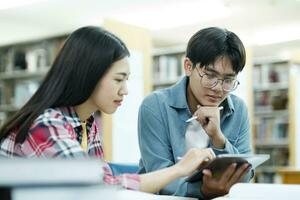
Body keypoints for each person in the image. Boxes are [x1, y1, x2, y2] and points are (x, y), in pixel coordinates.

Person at [0, 26, 216, 193]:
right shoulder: (46, 123)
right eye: (118, 79)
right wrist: (179, 169)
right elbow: (100, 188)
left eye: (126, 80)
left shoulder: (86, 124)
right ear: (89, 75)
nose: (125, 91)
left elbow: (100, 180)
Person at [138, 27, 253, 199]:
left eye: (228, 80)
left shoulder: (238, 109)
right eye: (210, 75)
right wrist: (203, 191)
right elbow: (160, 180)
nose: (219, 88)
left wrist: (219, 139)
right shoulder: (155, 106)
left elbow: (245, 175)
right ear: (188, 66)